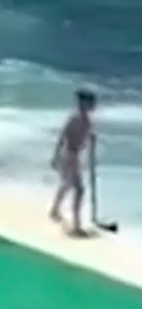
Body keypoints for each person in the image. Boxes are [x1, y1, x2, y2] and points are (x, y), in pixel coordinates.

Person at [48, 89, 97, 237]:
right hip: (69, 156)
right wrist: (56, 155)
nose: (93, 106)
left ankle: (55, 210)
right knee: (78, 190)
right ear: (83, 103)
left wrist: (90, 139)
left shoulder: (86, 120)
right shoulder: (75, 118)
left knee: (67, 185)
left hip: (74, 157)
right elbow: (63, 136)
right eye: (91, 103)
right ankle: (76, 225)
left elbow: (84, 137)